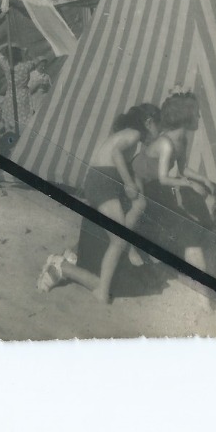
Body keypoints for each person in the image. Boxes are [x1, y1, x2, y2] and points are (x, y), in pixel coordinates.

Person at [37, 104, 160, 303]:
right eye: (157, 128)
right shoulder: (135, 134)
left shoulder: (124, 133)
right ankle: (97, 286)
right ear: (149, 122)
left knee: (115, 235)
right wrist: (128, 183)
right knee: (118, 240)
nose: (157, 133)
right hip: (103, 183)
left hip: (100, 181)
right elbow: (116, 154)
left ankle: (69, 262)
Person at [132, 91, 216, 308]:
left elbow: (183, 168)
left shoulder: (183, 140)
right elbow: (163, 177)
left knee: (197, 229)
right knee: (191, 237)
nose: (199, 118)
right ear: (185, 117)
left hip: (159, 191)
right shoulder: (166, 143)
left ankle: (202, 283)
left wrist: (204, 179)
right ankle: (204, 300)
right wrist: (190, 184)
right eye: (196, 114)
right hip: (145, 191)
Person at [0, 47, 35, 134]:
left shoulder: (6, 65)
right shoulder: (26, 66)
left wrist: (6, 46)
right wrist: (26, 54)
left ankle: (10, 132)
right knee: (23, 117)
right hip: (22, 94)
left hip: (11, 93)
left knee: (10, 115)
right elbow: (34, 61)